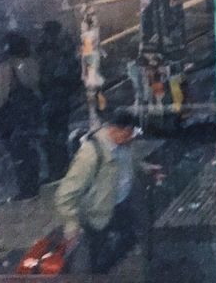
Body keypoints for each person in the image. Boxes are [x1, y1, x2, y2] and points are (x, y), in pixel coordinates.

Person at [56, 108, 154, 273]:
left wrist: (146, 168)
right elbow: (65, 194)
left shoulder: (123, 143)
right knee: (98, 257)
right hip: (100, 213)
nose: (132, 137)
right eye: (128, 133)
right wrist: (71, 224)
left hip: (123, 204)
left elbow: (129, 162)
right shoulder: (91, 155)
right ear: (114, 130)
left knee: (128, 239)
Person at [0, 32, 42, 200]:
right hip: (31, 112)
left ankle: (26, 188)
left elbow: (2, 95)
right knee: (30, 149)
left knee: (18, 153)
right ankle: (34, 184)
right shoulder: (31, 62)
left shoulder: (6, 67)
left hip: (14, 114)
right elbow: (35, 85)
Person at [39, 20, 83, 181]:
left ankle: (57, 169)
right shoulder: (65, 47)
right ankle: (61, 166)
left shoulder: (50, 50)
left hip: (53, 95)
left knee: (52, 135)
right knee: (59, 133)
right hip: (61, 95)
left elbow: (47, 73)